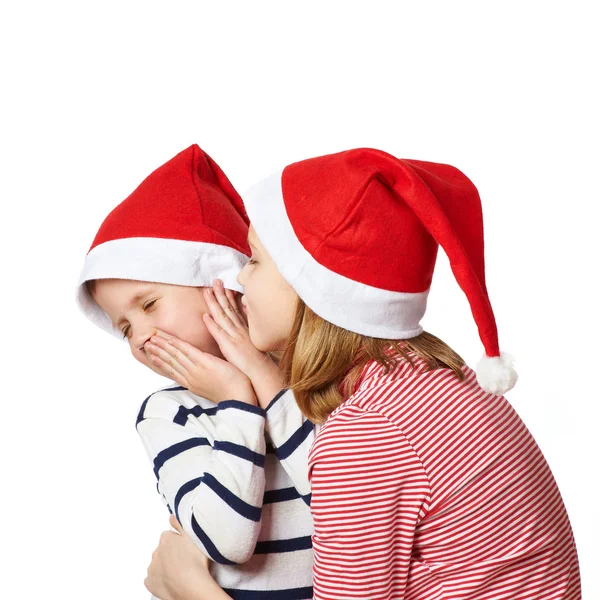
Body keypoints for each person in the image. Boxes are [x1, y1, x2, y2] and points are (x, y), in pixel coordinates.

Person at [145, 147, 582, 599]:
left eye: (253, 260)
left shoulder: (367, 431)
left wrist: (191, 589)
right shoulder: (432, 382)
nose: (240, 281)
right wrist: (257, 374)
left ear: (309, 284)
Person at [76, 144, 314, 599]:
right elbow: (226, 543)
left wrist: (261, 385)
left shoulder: (314, 380)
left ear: (221, 283)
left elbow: (347, 503)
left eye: (148, 304)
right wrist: (236, 403)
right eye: (124, 328)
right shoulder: (169, 414)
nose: (140, 336)